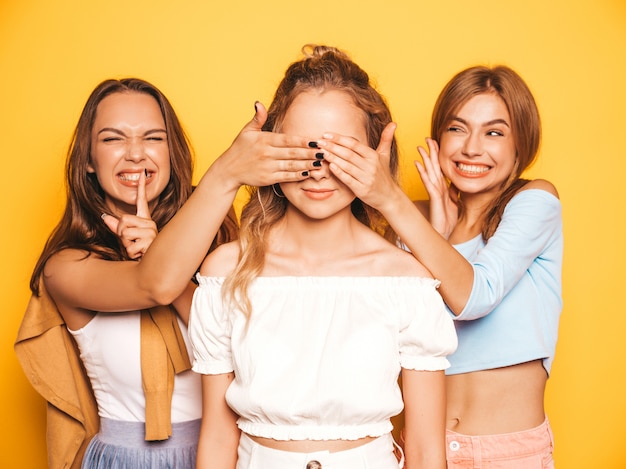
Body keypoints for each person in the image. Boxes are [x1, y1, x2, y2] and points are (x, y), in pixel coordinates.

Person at [15, 77, 320, 469]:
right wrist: (226, 173)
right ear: (88, 160)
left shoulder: (222, 242)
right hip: (123, 459)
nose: (135, 155)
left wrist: (160, 252)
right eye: (113, 139)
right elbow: (153, 285)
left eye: (153, 138)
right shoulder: (67, 267)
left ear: (172, 152)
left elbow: (254, 345)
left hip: (225, 453)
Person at [187, 44, 458, 469]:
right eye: (301, 149)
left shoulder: (407, 281)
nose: (318, 169)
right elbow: (218, 439)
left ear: (376, 154)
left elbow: (426, 450)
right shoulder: (226, 272)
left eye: (342, 152)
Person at [324, 65, 562, 468]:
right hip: (423, 450)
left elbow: (475, 295)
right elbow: (393, 330)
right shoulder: (413, 224)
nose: (471, 148)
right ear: (438, 137)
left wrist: (392, 201)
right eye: (458, 128)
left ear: (521, 143)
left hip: (507, 454)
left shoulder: (533, 201)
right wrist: (436, 227)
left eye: (494, 132)